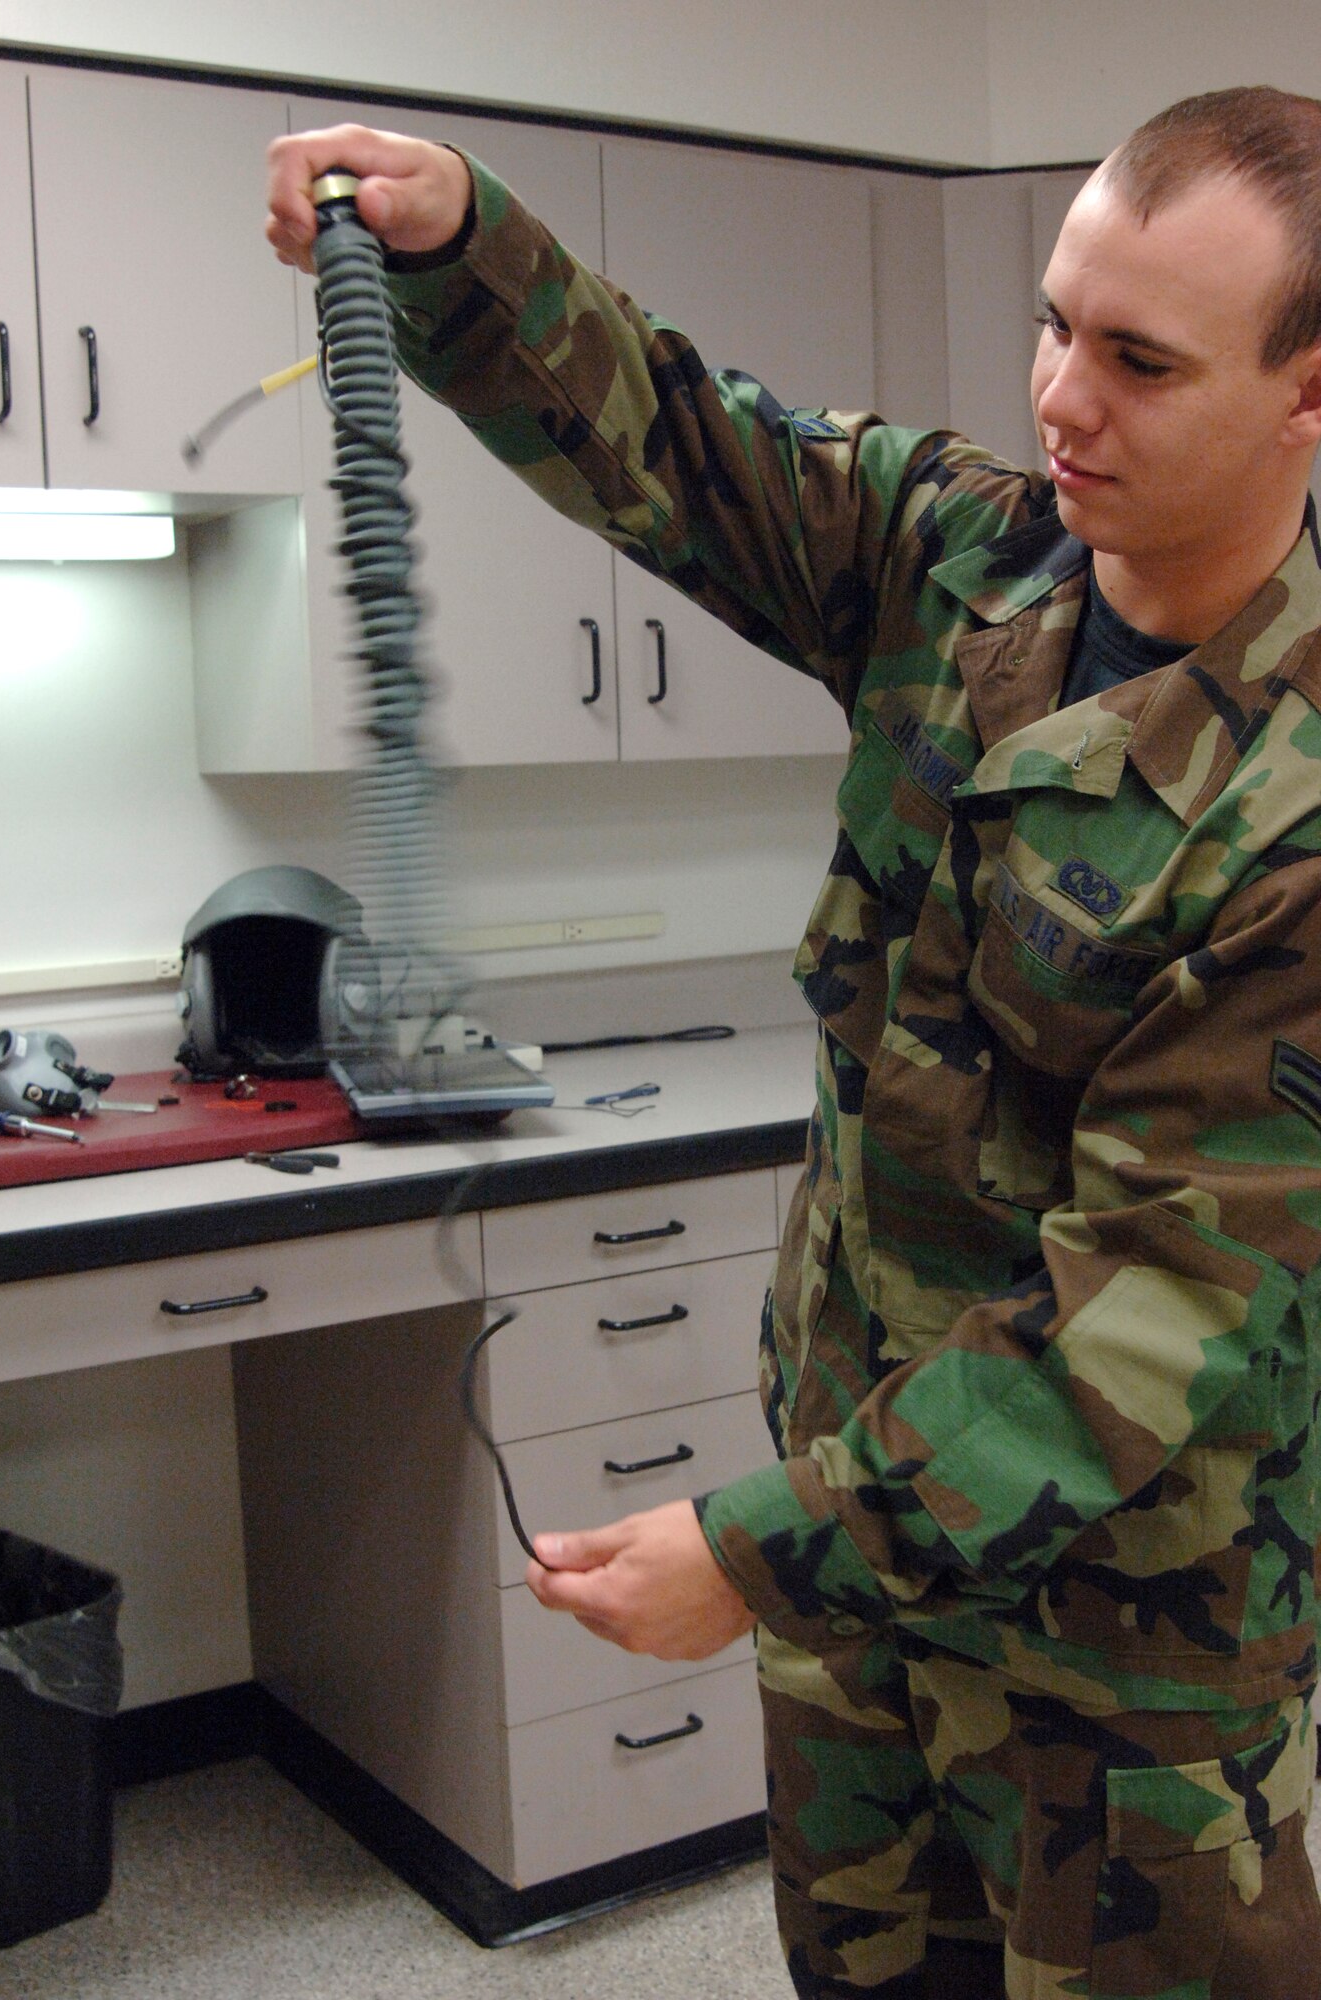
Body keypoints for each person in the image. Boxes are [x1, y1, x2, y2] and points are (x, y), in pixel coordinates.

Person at [267, 85, 1321, 1999]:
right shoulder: (969, 564)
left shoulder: (1300, 815)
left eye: (1142, 360)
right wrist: (457, 242)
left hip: (1121, 1660)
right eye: (1054, 323)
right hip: (865, 1599)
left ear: (1309, 394)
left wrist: (756, 1550)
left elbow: (1143, 1326)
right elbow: (680, 439)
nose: (1060, 399)